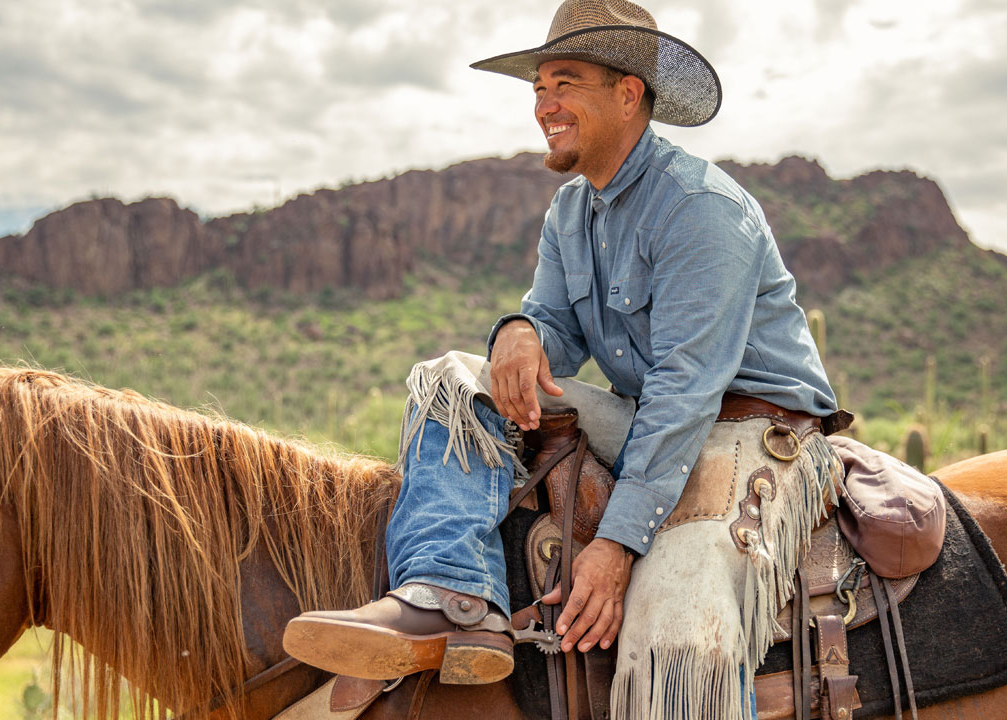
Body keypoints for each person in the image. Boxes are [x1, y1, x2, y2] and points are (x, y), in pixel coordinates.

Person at [283, 1, 848, 716]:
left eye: (565, 82)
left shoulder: (702, 210)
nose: (544, 103)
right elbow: (551, 326)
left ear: (627, 93)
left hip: (752, 435)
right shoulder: (569, 212)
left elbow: (686, 392)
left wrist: (616, 546)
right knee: (453, 380)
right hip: (649, 417)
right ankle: (451, 595)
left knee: (678, 639)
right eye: (538, 88)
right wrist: (516, 331)